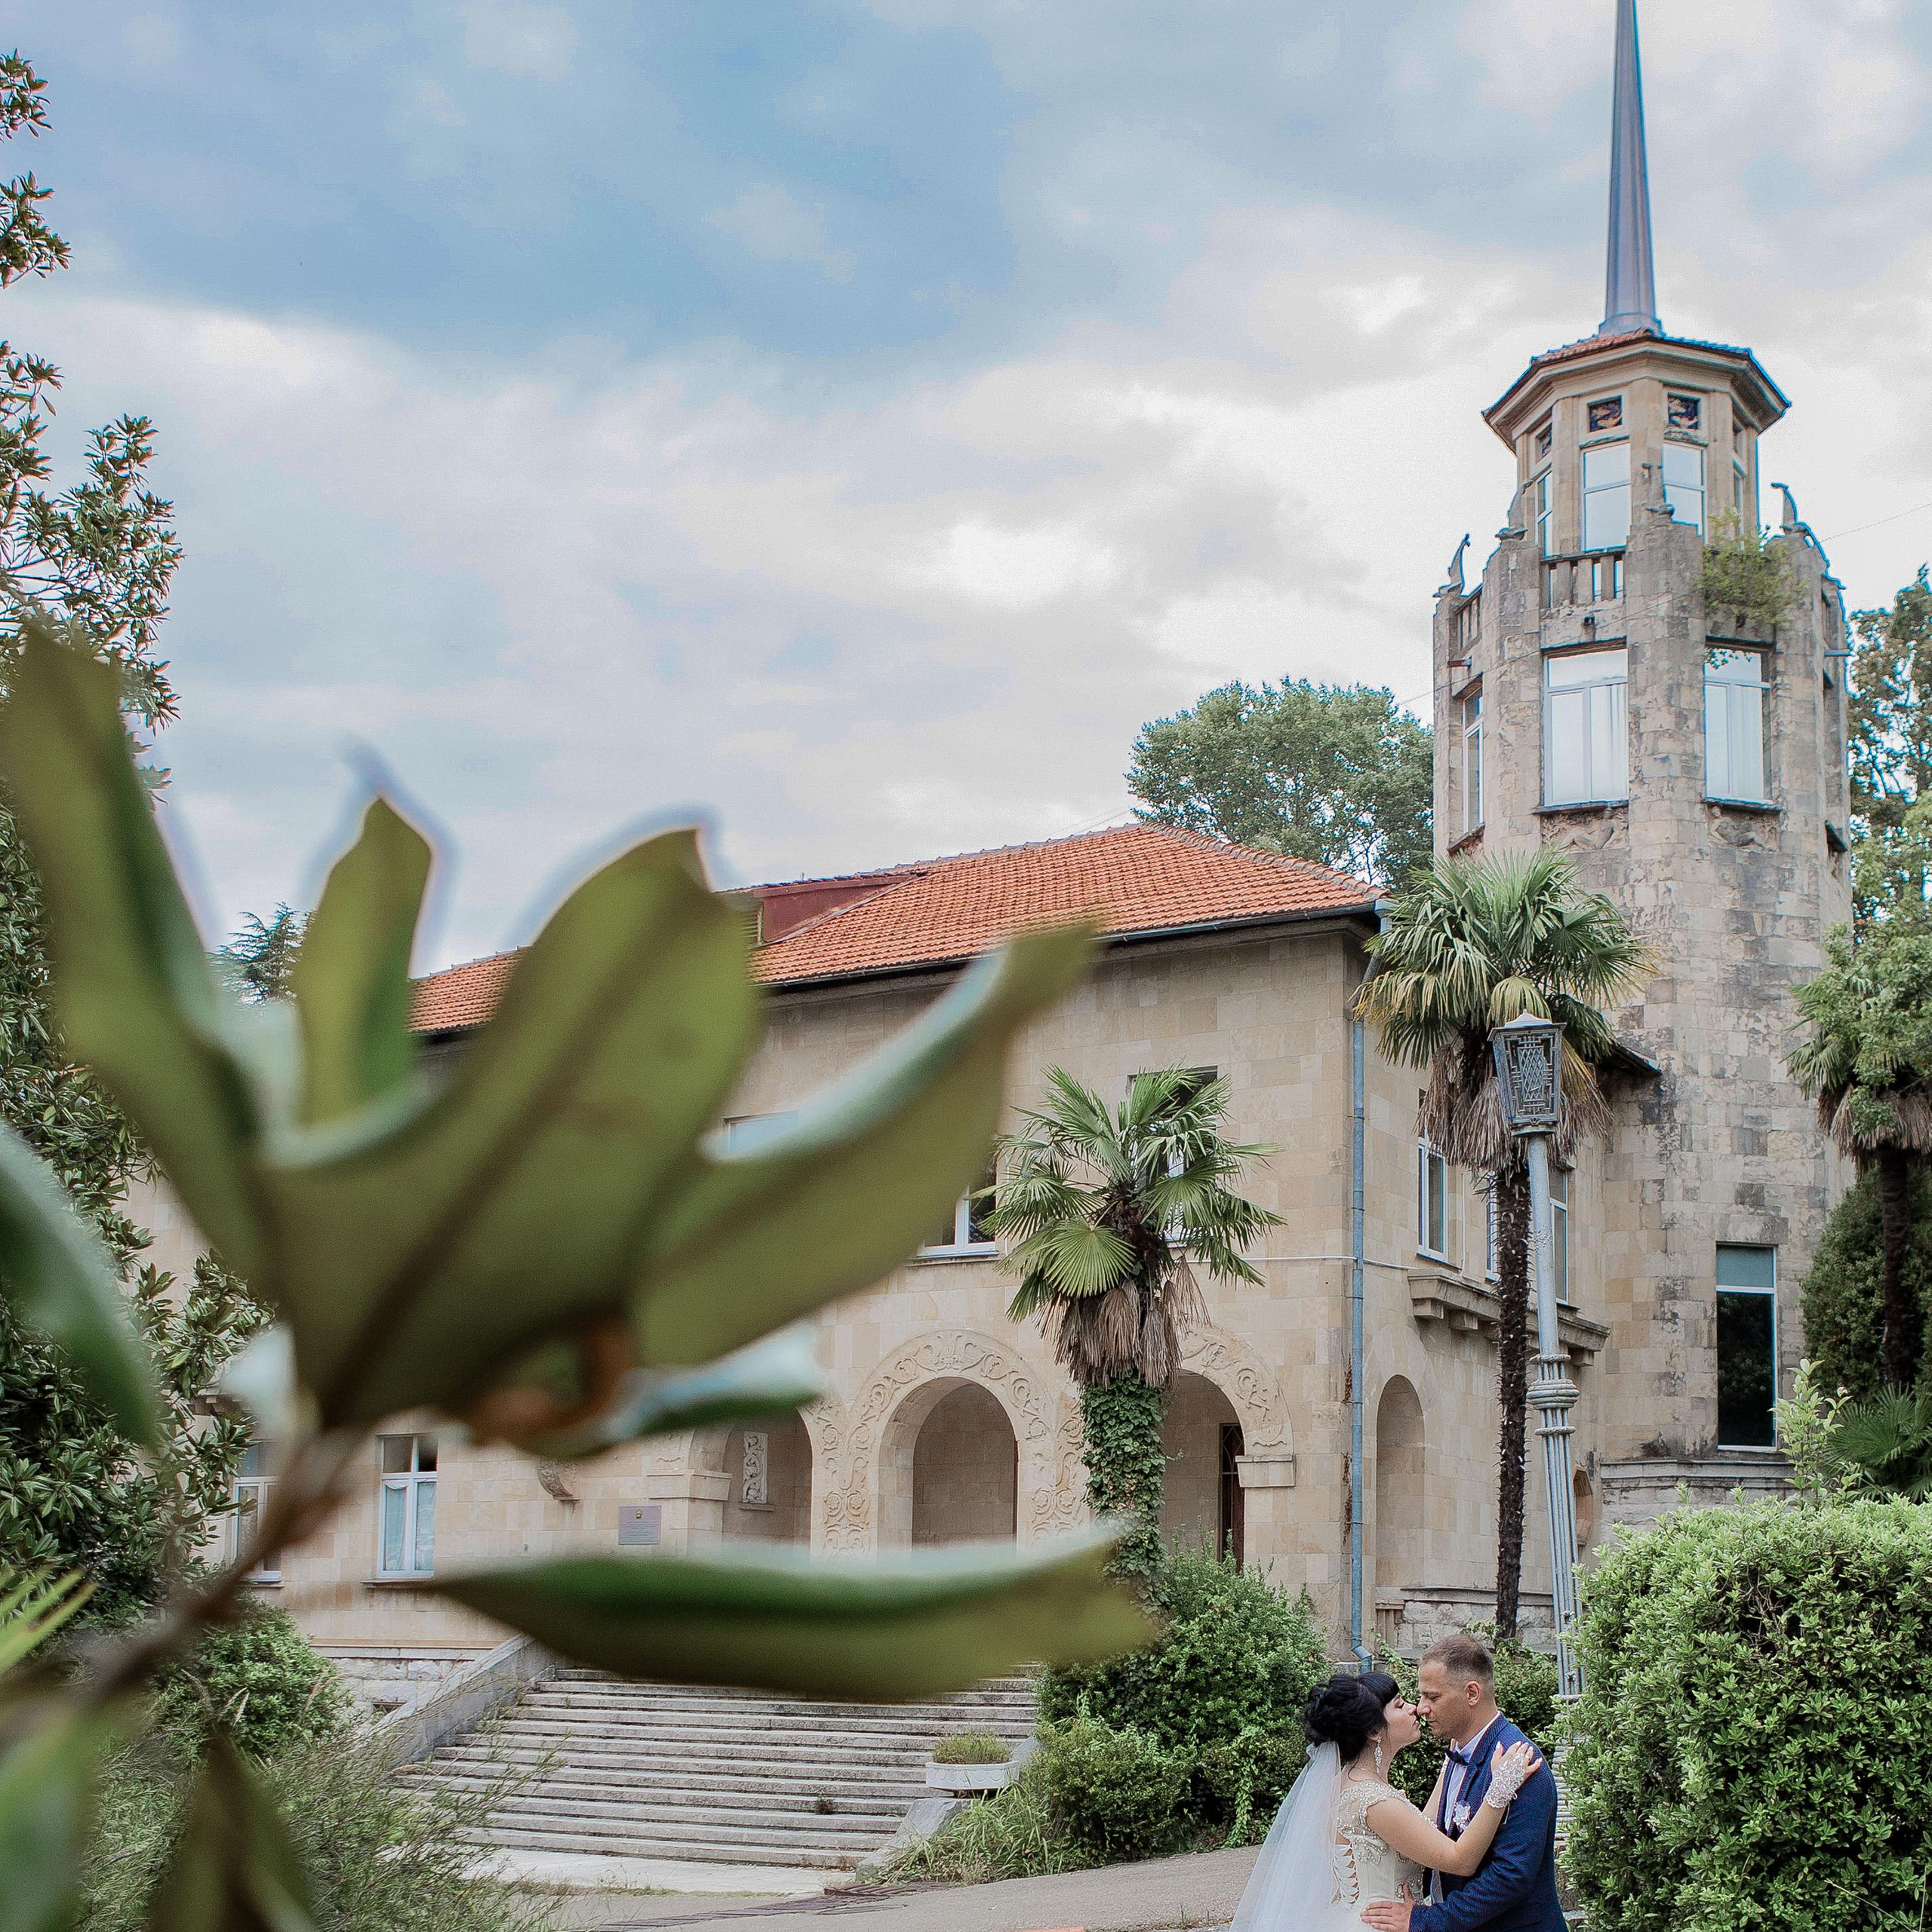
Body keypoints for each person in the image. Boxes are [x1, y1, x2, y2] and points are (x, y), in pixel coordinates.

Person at [1228, 1659, 1541, 1932]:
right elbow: (1458, 1860)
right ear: (1374, 1731)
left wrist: (1452, 1761)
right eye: (1400, 1704)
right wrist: (1499, 1789)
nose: (1414, 1709)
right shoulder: (1373, 1801)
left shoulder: (1354, 1785)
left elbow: (1422, 1828)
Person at [1358, 1634, 1566, 1932]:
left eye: (1433, 1696)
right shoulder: (1457, 1753)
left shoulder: (1518, 1761)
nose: (1421, 1708)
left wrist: (1424, 1919)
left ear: (1471, 1693)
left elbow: (1511, 1877)